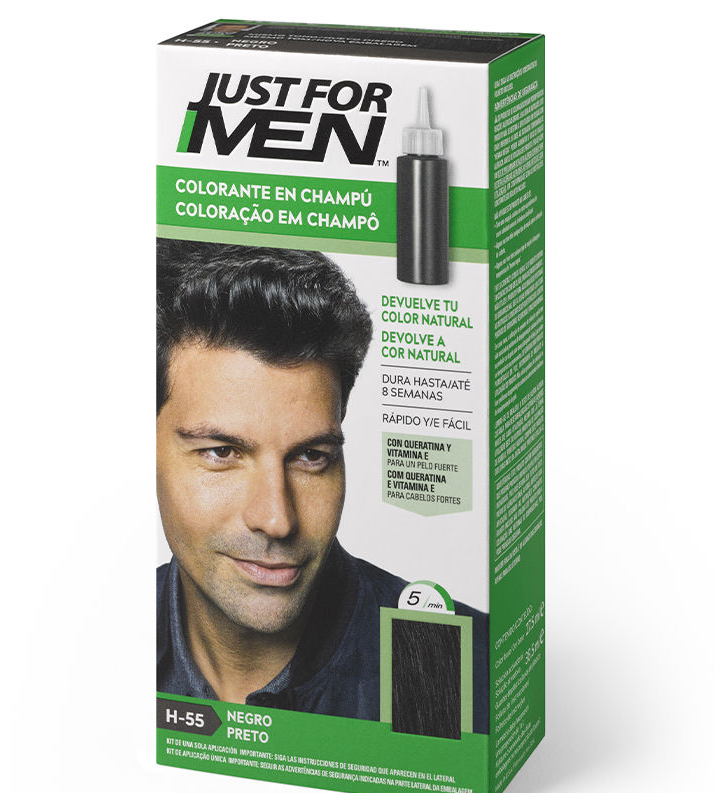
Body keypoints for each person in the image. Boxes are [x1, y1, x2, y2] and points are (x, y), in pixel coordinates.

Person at [156, 239, 487, 730]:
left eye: (311, 456)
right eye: (221, 452)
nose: (277, 519)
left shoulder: (461, 671)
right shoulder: (88, 649)